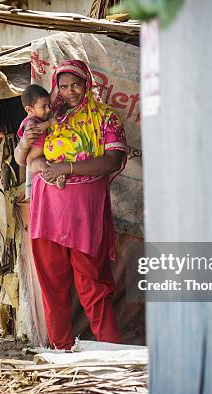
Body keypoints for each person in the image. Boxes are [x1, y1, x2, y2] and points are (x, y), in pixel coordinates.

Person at [17, 60, 127, 350]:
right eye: (63, 86)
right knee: (53, 287)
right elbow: (30, 157)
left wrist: (65, 168)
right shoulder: (48, 117)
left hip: (84, 216)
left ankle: (115, 356)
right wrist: (43, 166)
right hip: (48, 212)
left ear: (87, 83)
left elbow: (113, 160)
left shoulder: (105, 117)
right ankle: (61, 351)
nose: (69, 92)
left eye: (75, 84)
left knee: (94, 288)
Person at [14, 84, 65, 189]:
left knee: (50, 166)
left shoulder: (40, 118)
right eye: (43, 107)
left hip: (40, 155)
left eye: (49, 105)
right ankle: (55, 182)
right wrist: (50, 122)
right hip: (33, 160)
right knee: (46, 167)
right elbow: (36, 129)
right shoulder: (30, 122)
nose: (48, 109)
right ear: (29, 110)